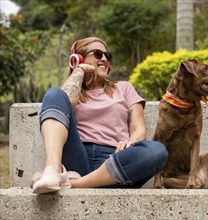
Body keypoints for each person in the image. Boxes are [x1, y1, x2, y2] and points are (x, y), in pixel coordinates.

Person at [30, 37, 168, 193]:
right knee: (54, 93)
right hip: (77, 158)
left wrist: (131, 143)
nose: (104, 59)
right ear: (78, 59)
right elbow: (63, 101)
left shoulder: (124, 88)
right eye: (97, 54)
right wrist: (79, 71)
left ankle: (71, 183)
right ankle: (52, 171)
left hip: (114, 162)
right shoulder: (72, 91)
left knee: (158, 151)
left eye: (107, 55)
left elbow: (138, 129)